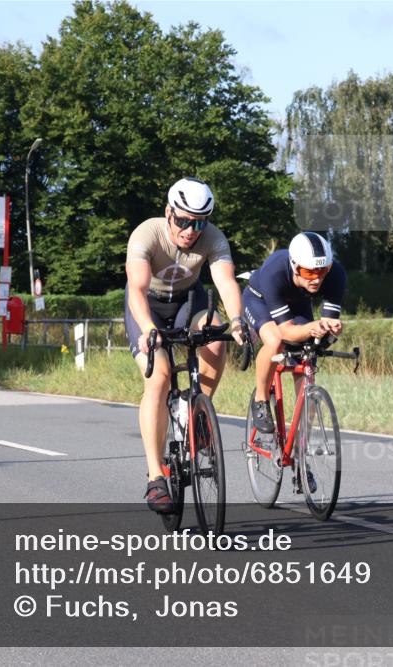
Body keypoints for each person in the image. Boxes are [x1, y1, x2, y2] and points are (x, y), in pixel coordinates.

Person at [124, 177, 244, 513]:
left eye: (199, 223)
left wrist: (238, 322)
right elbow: (136, 288)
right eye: (183, 221)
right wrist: (148, 328)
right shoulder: (147, 233)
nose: (191, 230)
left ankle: (198, 416)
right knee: (159, 377)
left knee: (216, 333)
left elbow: (225, 281)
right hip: (146, 306)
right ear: (168, 213)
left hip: (186, 304)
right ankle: (154, 476)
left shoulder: (213, 238)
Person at [241, 231, 347, 434]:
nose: (317, 279)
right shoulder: (275, 271)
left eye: (323, 271)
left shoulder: (336, 274)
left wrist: (331, 330)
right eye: (309, 273)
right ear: (295, 266)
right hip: (259, 300)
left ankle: (301, 442)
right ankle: (261, 400)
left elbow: (328, 322)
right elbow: (286, 332)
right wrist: (310, 328)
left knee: (308, 355)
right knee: (275, 342)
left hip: (297, 304)